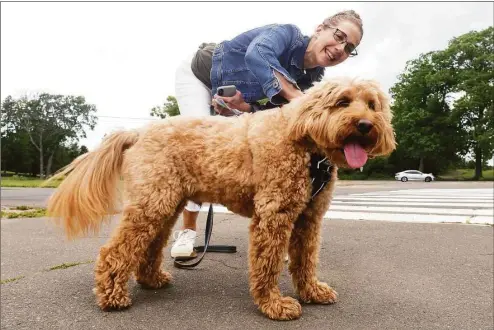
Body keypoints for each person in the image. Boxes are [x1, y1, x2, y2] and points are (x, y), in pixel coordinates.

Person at [171, 10, 363, 259]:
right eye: (339, 36)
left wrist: (245, 108)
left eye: (349, 48)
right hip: (200, 74)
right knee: (197, 148)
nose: (340, 48)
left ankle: (275, 231)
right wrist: (297, 97)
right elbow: (257, 54)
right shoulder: (287, 34)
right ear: (319, 29)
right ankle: (187, 230)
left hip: (233, 98)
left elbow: (274, 113)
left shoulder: (313, 78)